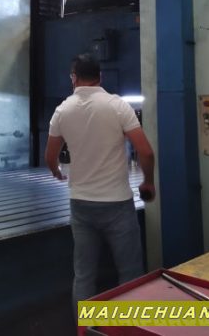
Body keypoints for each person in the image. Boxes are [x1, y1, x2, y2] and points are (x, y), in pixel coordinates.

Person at [45, 53, 155, 305]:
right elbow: (146, 152)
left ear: (73, 78)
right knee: (130, 274)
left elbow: (50, 156)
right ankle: (128, 325)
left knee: (84, 276)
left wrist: (57, 172)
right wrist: (148, 181)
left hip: (81, 204)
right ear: (100, 77)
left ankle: (85, 325)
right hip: (118, 204)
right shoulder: (118, 106)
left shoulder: (62, 110)